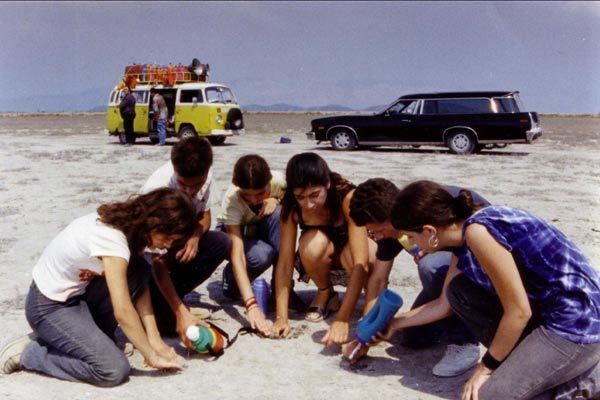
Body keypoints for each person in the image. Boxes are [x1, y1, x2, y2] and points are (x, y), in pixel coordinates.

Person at [381, 180, 600, 399]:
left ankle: (590, 379)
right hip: (549, 315)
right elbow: (443, 305)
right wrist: (394, 323)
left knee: (487, 395)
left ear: (429, 231)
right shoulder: (464, 236)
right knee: (458, 290)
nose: (413, 243)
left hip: (577, 325)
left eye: (411, 236)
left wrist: (486, 368)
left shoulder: (479, 233)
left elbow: (518, 311)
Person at [0, 188, 195, 386]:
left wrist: (153, 339)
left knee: (141, 267)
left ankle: (63, 338)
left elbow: (139, 282)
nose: (169, 245)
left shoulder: (131, 227)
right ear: (155, 223)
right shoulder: (112, 239)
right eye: (170, 238)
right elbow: (123, 311)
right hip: (48, 306)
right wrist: (151, 356)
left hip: (79, 298)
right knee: (112, 369)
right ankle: (30, 353)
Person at [344, 178, 489, 377]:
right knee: (412, 337)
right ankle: (455, 322)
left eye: (376, 231)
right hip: (451, 278)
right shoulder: (394, 229)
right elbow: (378, 280)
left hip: (485, 272)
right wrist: (368, 332)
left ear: (390, 217)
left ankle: (464, 341)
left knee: (431, 265)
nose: (375, 237)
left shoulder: (425, 209)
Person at [139, 136, 231, 348]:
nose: (190, 192)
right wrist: (180, 313)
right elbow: (156, 261)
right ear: (174, 169)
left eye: (196, 185)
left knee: (222, 242)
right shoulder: (157, 190)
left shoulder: (204, 174)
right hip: (148, 265)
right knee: (169, 327)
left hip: (176, 246)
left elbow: (206, 216)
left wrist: (195, 235)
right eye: (183, 185)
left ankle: (175, 299)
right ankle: (167, 306)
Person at [272, 152, 376, 340]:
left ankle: (371, 296)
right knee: (310, 245)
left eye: (314, 195)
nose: (309, 204)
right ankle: (325, 292)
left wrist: (342, 319)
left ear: (327, 184)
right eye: (300, 197)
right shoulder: (290, 206)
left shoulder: (347, 196)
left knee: (361, 255)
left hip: (354, 251)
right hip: (322, 253)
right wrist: (281, 318)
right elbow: (285, 263)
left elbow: (361, 262)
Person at [216, 155, 287, 335]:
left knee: (280, 214)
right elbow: (238, 253)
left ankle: (283, 290)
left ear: (269, 182)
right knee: (262, 255)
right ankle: (231, 277)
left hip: (259, 226)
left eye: (260, 194)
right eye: (246, 195)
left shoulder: (280, 182)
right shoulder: (231, 200)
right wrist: (251, 305)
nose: (253, 200)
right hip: (234, 233)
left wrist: (276, 199)